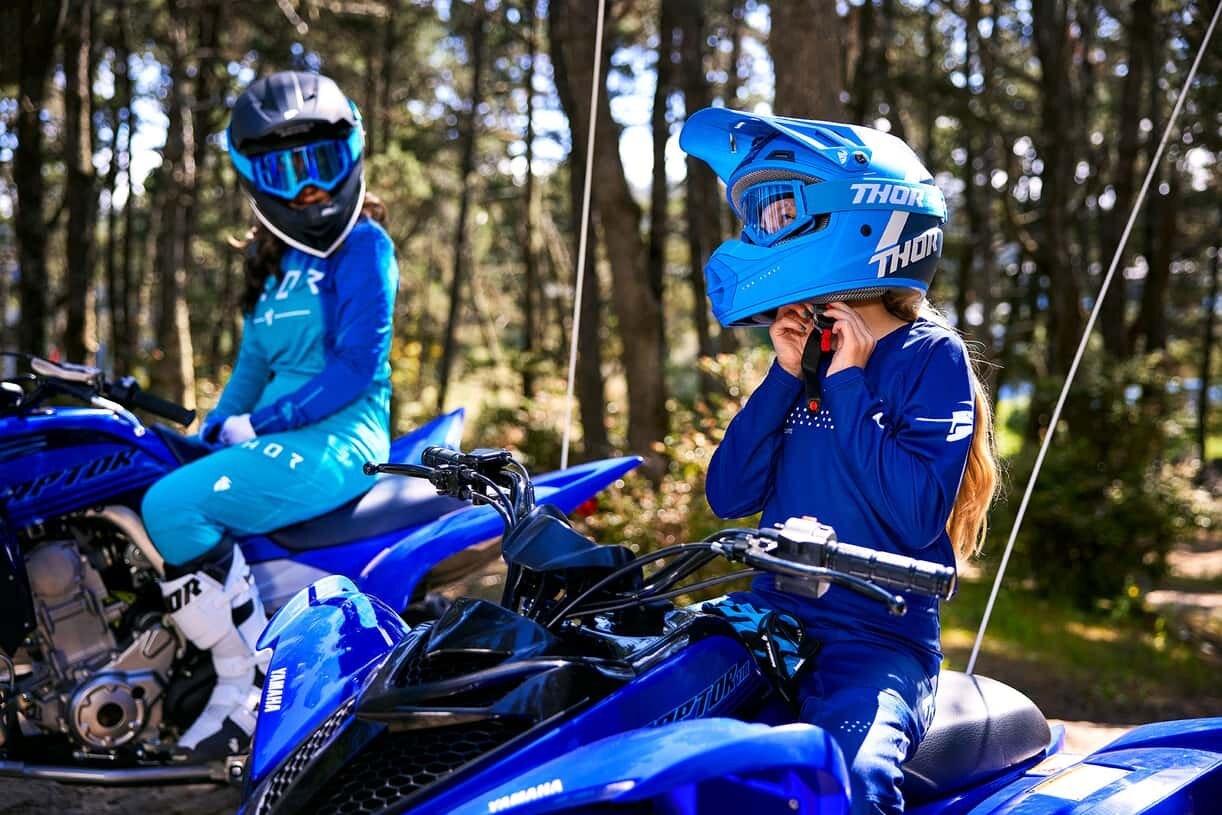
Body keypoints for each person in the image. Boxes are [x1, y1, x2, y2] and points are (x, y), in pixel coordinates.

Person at [679, 109, 998, 815]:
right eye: (760, 215)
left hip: (875, 644)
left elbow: (915, 516)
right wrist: (784, 376)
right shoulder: (806, 353)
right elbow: (729, 494)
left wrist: (850, 381)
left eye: (779, 209)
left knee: (846, 784)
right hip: (767, 619)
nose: (763, 230)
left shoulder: (929, 355)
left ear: (859, 218)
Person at [140, 71, 398, 760]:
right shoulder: (274, 262)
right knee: (149, 481)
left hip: (343, 438)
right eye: (285, 171)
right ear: (256, 180)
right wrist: (210, 428)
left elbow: (357, 366)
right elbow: (250, 371)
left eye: (322, 163)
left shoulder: (365, 246)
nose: (308, 188)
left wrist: (261, 424)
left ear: (353, 157)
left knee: (170, 506)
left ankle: (245, 685)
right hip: (284, 433)